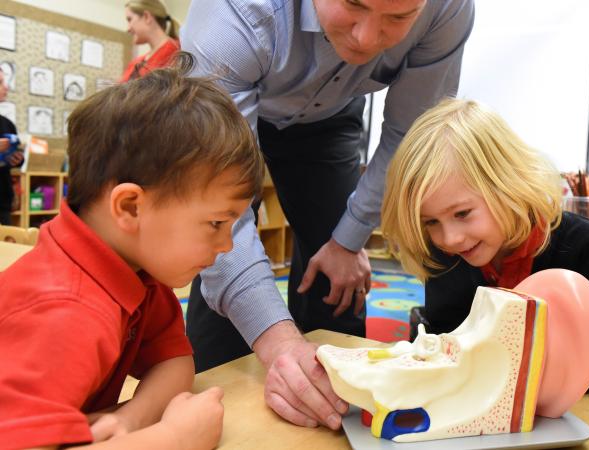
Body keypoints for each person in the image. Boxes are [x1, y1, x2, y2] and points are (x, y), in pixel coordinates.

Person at [180, 0, 475, 430]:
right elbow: (213, 215)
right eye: (353, 5)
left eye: (397, 18)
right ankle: (219, 388)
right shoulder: (231, 16)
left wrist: (347, 240)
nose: (366, 39)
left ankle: (332, 396)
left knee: (337, 283)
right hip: (233, 104)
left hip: (330, 119)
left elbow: (407, 135)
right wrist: (278, 343)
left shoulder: (448, 8)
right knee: (215, 247)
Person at [0, 59, 266, 448]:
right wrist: (173, 438)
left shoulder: (137, 272)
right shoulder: (63, 311)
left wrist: (130, 420)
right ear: (129, 207)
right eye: (216, 223)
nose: (227, 245)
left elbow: (174, 361)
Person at [381, 98, 589, 390]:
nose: (449, 239)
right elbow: (446, 346)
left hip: (574, 411)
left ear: (507, 185)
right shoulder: (447, 258)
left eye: (462, 214)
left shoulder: (587, 248)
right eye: (431, 222)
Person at [121, 0, 180, 82]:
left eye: (130, 19)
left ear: (146, 17)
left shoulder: (176, 53)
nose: (128, 29)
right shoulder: (136, 62)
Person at [0, 71, 24, 225]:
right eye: (1, 82)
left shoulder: (7, 124)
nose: (6, 87)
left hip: (2, 202)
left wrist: (17, 159)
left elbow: (17, 161)